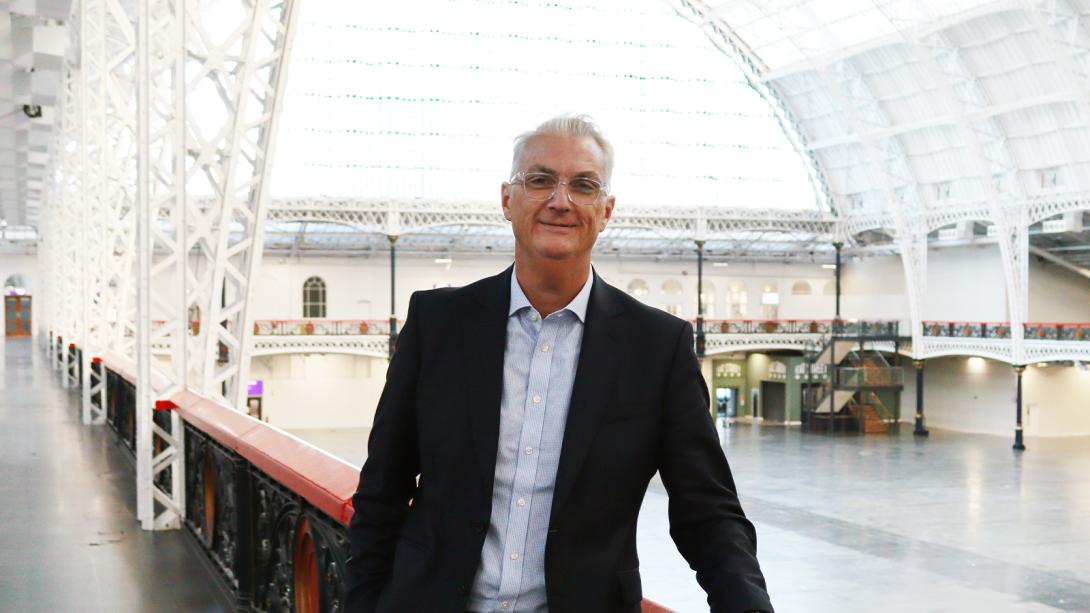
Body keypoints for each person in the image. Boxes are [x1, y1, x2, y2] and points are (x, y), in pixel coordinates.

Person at [345, 115, 772, 613]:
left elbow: (709, 513)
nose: (561, 200)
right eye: (540, 179)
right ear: (508, 199)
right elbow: (382, 493)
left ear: (606, 210)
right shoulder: (437, 323)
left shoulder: (657, 347)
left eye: (584, 185)